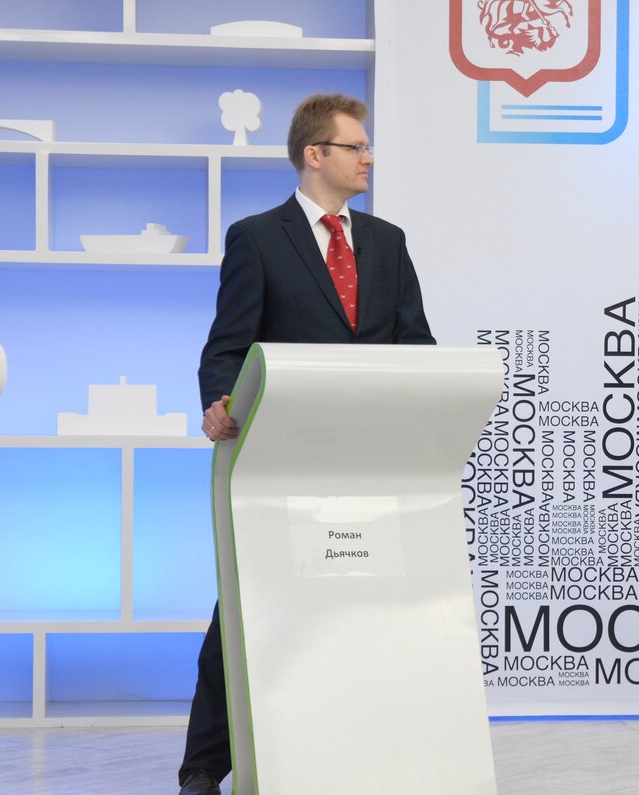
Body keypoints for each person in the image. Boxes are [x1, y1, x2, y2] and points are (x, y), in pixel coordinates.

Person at [178, 93, 435, 795]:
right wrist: (218, 401)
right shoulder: (258, 237)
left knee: (362, 607)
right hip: (279, 457)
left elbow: (415, 342)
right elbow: (227, 345)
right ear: (315, 154)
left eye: (368, 146)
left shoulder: (387, 241)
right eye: (357, 146)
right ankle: (204, 765)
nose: (369, 158)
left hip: (370, 459)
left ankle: (348, 746)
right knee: (244, 608)